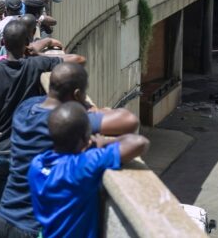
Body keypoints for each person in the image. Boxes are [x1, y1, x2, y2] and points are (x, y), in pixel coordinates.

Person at [0, 63, 139, 238]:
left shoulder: (25, 108)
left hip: (3, 216)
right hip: (31, 227)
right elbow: (129, 121)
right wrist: (90, 110)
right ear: (77, 94)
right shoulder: (63, 121)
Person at [0, 21, 86, 210]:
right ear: (27, 41)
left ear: (4, 42)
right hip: (26, 150)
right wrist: (37, 53)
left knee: (2, 210)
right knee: (30, 209)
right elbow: (79, 59)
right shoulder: (37, 64)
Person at [28, 102, 149, 238]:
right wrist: (103, 142)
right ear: (86, 139)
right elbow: (139, 143)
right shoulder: (82, 166)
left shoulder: (36, 164)